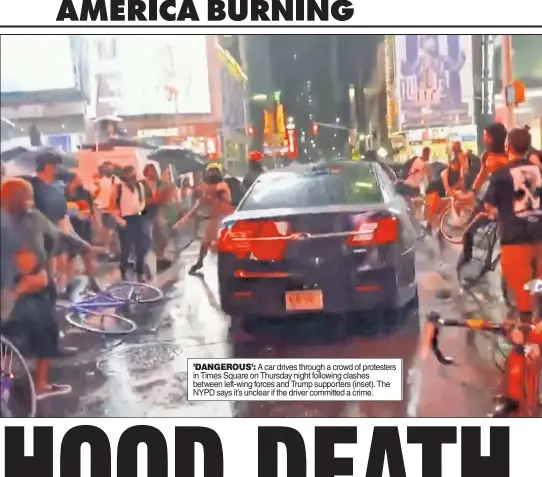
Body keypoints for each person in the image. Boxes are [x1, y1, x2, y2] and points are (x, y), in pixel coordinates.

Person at [1, 178, 94, 398]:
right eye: (27, 196)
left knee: (11, 338)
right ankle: (39, 386)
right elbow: (53, 238)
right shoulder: (27, 220)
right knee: (43, 335)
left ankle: (6, 385)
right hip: (30, 287)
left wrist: (82, 247)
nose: (30, 200)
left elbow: (57, 236)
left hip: (20, 288)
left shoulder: (24, 218)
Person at [483, 127, 542, 319]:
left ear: (508, 146)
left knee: (522, 298)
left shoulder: (501, 174)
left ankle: (525, 339)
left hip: (515, 240)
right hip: (539, 238)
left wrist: (496, 214)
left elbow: (489, 206)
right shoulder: (539, 170)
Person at [458, 123, 509, 272]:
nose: (483, 137)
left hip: (502, 199)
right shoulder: (486, 155)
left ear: (493, 138)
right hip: (489, 195)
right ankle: (467, 254)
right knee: (468, 229)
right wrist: (473, 190)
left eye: (486, 135)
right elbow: (482, 174)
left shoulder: (507, 158)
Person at [174, 162, 234, 275]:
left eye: (215, 172)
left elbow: (213, 192)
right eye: (211, 172)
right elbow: (198, 205)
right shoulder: (207, 189)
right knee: (206, 243)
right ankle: (200, 262)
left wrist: (202, 190)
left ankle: (231, 266)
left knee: (226, 244)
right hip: (216, 219)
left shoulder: (221, 186)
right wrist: (184, 220)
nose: (213, 174)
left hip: (226, 219)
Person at [111, 165, 151, 282]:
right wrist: (120, 220)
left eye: (134, 174)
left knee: (141, 247)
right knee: (126, 248)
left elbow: (143, 201)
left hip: (138, 218)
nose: (133, 177)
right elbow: (113, 207)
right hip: (125, 220)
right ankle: (123, 268)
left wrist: (141, 211)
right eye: (130, 175)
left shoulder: (140, 186)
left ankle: (140, 272)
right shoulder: (119, 188)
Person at [423, 141, 467, 233]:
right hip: (434, 188)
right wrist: (450, 190)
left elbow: (461, 181)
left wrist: (454, 190)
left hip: (443, 190)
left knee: (443, 210)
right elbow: (446, 181)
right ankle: (429, 227)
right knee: (433, 208)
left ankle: (440, 230)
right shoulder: (447, 170)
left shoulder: (461, 162)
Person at [64, 172, 97, 294]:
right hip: (70, 227)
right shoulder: (63, 194)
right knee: (70, 257)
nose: (80, 179)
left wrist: (87, 217)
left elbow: (90, 210)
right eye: (77, 177)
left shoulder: (84, 193)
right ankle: (70, 285)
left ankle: (92, 282)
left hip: (84, 227)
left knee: (87, 255)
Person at [92, 161, 120, 260]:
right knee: (105, 232)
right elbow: (94, 194)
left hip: (113, 210)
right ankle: (107, 251)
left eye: (110, 168)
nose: (108, 170)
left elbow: (117, 195)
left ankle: (116, 252)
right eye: (106, 168)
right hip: (102, 209)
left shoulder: (115, 180)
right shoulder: (99, 180)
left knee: (113, 232)